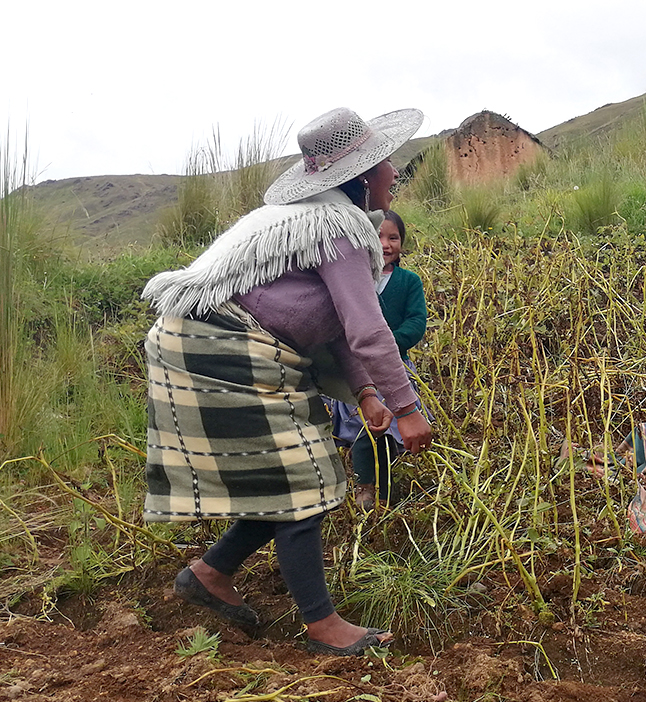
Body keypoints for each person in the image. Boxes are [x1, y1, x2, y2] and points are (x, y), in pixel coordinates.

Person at [141, 107, 435, 656]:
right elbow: (368, 329)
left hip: (203, 341)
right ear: (363, 174)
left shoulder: (314, 219)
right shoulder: (341, 228)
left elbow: (337, 327)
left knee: (287, 475)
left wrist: (367, 394)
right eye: (385, 161)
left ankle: (210, 573)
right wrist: (406, 408)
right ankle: (322, 626)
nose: (394, 170)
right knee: (304, 475)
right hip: (222, 347)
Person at [329, 208, 428, 508]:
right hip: (357, 371)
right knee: (365, 427)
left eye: (393, 238)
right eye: (378, 236)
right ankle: (364, 489)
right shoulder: (353, 279)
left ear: (402, 243)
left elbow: (416, 322)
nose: (385, 244)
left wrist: (385, 346)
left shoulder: (409, 282)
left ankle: (384, 495)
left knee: (387, 432)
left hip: (395, 368)